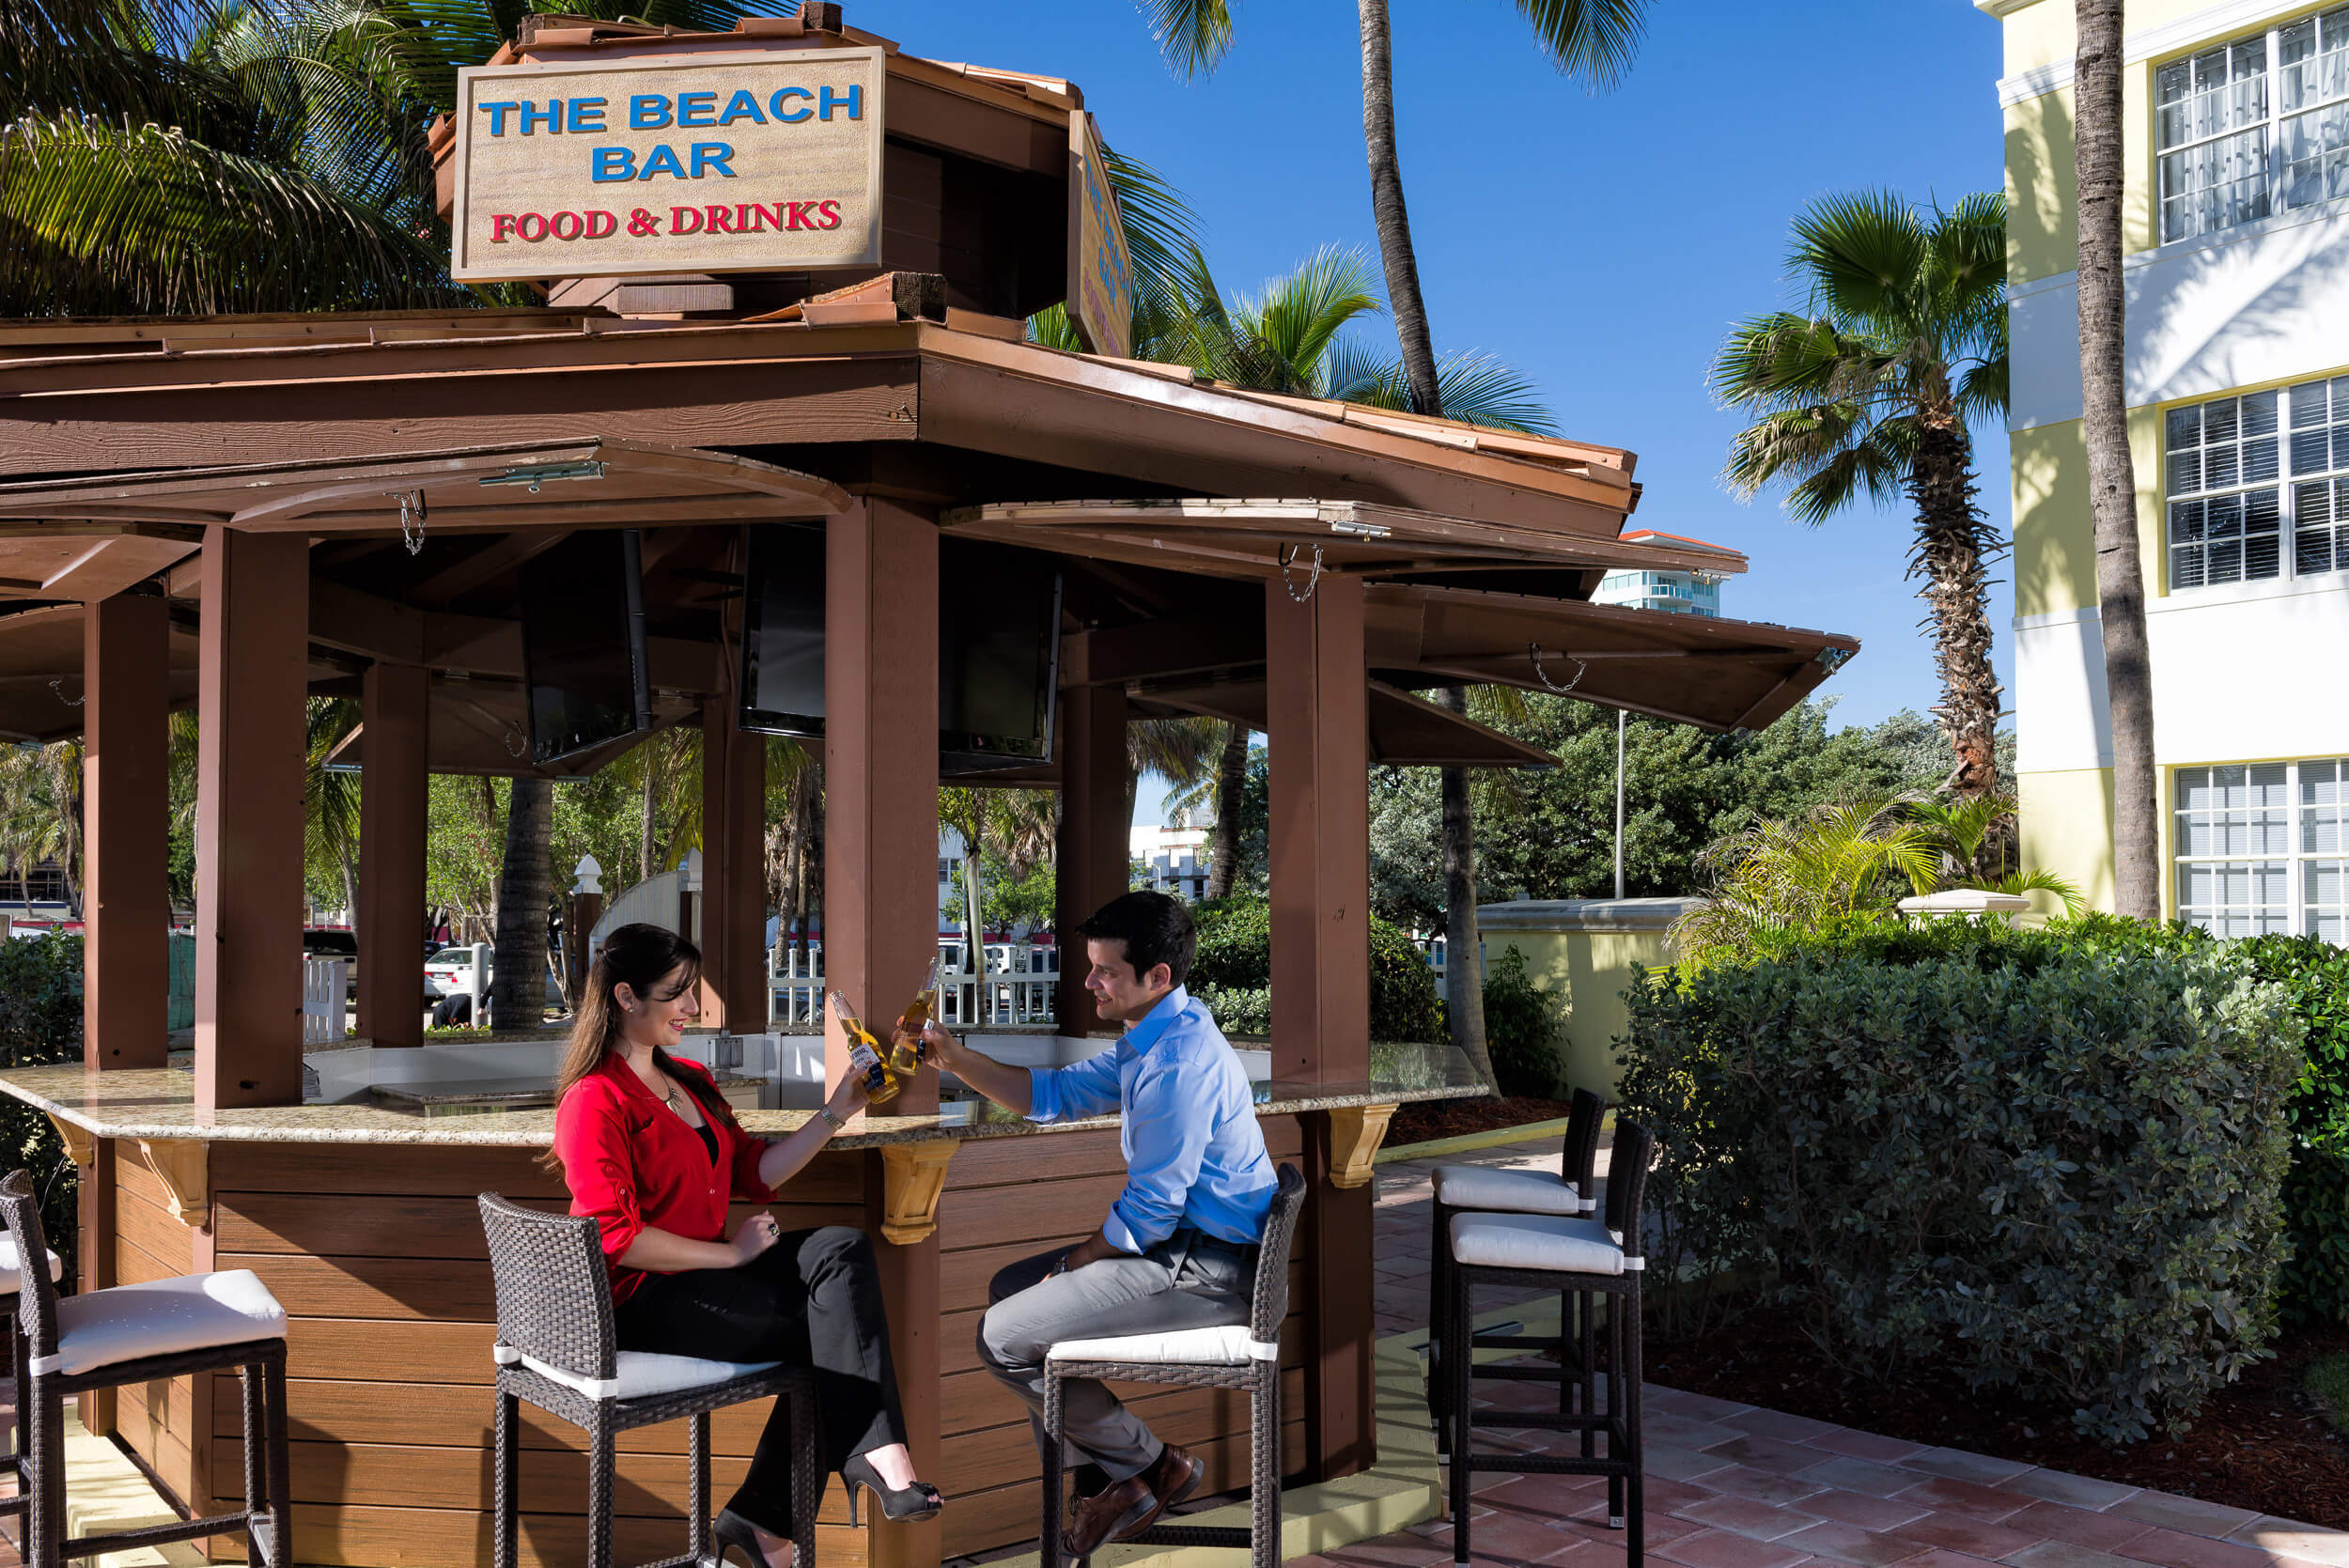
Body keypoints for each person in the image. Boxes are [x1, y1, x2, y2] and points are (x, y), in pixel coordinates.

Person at [552, 923, 941, 1568]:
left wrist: (839, 1107)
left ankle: (786, 1505)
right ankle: (790, 1505)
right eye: (675, 992)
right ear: (625, 995)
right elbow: (616, 1239)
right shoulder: (594, 1100)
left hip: (710, 1286)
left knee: (840, 1249)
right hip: (646, 1303)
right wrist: (731, 1255)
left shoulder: (690, 1080)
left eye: (690, 990)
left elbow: (754, 1169)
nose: (691, 1006)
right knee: (831, 1329)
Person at [903, 892, 1276, 1557]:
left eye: (1105, 970)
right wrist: (952, 1057)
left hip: (1206, 1271)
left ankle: (1150, 1465)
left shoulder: (1177, 1064)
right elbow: (1053, 1094)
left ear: (1157, 976)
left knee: (1002, 1336)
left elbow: (1152, 1211)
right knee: (1008, 1288)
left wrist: (1079, 1258)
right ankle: (1119, 1479)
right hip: (1180, 1249)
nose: (1088, 981)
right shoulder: (1157, 1032)